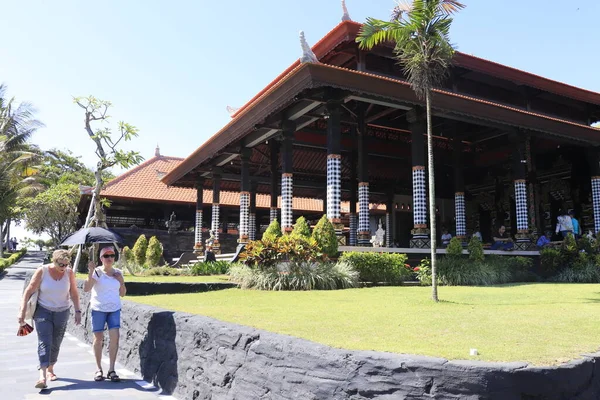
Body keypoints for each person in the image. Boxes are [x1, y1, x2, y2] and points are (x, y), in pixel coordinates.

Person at [18, 249, 81, 389]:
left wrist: (78, 310)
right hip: (43, 311)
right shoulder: (43, 271)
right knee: (45, 342)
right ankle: (42, 376)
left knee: (56, 343)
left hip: (62, 312)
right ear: (54, 261)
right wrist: (22, 312)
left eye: (66, 264)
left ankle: (50, 368)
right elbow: (28, 291)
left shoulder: (69, 273)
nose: (63, 268)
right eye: (61, 264)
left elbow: (74, 293)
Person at [84, 246, 126, 382]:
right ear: (101, 258)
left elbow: (123, 293)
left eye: (112, 255)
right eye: (106, 256)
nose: (109, 258)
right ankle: (98, 369)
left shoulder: (118, 272)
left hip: (114, 309)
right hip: (98, 309)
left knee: (115, 338)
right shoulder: (97, 272)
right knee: (98, 338)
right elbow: (86, 288)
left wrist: (121, 281)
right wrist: (90, 272)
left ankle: (112, 369)